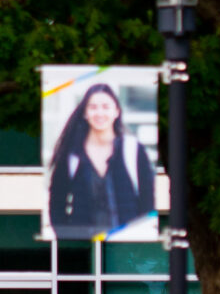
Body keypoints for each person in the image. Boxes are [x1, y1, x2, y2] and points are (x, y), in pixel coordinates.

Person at [47, 81, 155, 239]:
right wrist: (68, 238)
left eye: (105, 107)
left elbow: (148, 200)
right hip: (84, 245)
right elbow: (56, 201)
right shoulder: (72, 154)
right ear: (85, 113)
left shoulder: (132, 149)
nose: (99, 113)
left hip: (125, 243)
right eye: (93, 107)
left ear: (116, 111)